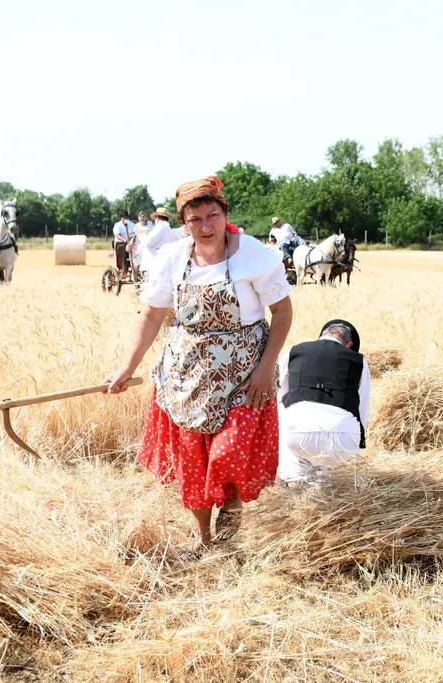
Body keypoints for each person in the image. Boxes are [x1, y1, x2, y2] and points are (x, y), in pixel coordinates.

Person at [104, 175, 293, 561]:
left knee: (230, 453)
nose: (205, 227)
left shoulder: (254, 256)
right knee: (194, 463)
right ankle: (204, 540)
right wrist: (127, 367)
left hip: (245, 374)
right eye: (195, 220)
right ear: (183, 223)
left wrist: (265, 368)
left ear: (226, 215)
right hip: (185, 376)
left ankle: (233, 512)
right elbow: (153, 316)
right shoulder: (172, 259)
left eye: (212, 216)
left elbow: (282, 312)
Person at [277, 320, 371, 483]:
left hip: (296, 433)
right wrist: (358, 442)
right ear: (348, 345)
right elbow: (362, 409)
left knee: (296, 475)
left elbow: (278, 394)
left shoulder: (293, 352)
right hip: (342, 436)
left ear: (322, 336)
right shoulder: (360, 362)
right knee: (335, 484)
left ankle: (296, 483)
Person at [134, 207, 183, 276]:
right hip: (165, 265)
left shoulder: (159, 227)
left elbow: (147, 243)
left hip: (154, 266)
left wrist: (139, 234)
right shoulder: (169, 230)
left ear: (156, 217)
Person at [112, 210, 136, 279]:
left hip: (131, 242)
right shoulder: (117, 225)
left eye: (126, 217)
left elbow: (135, 233)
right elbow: (117, 235)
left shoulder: (132, 225)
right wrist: (125, 240)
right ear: (121, 218)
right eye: (123, 217)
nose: (125, 219)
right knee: (125, 246)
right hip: (121, 243)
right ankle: (124, 268)